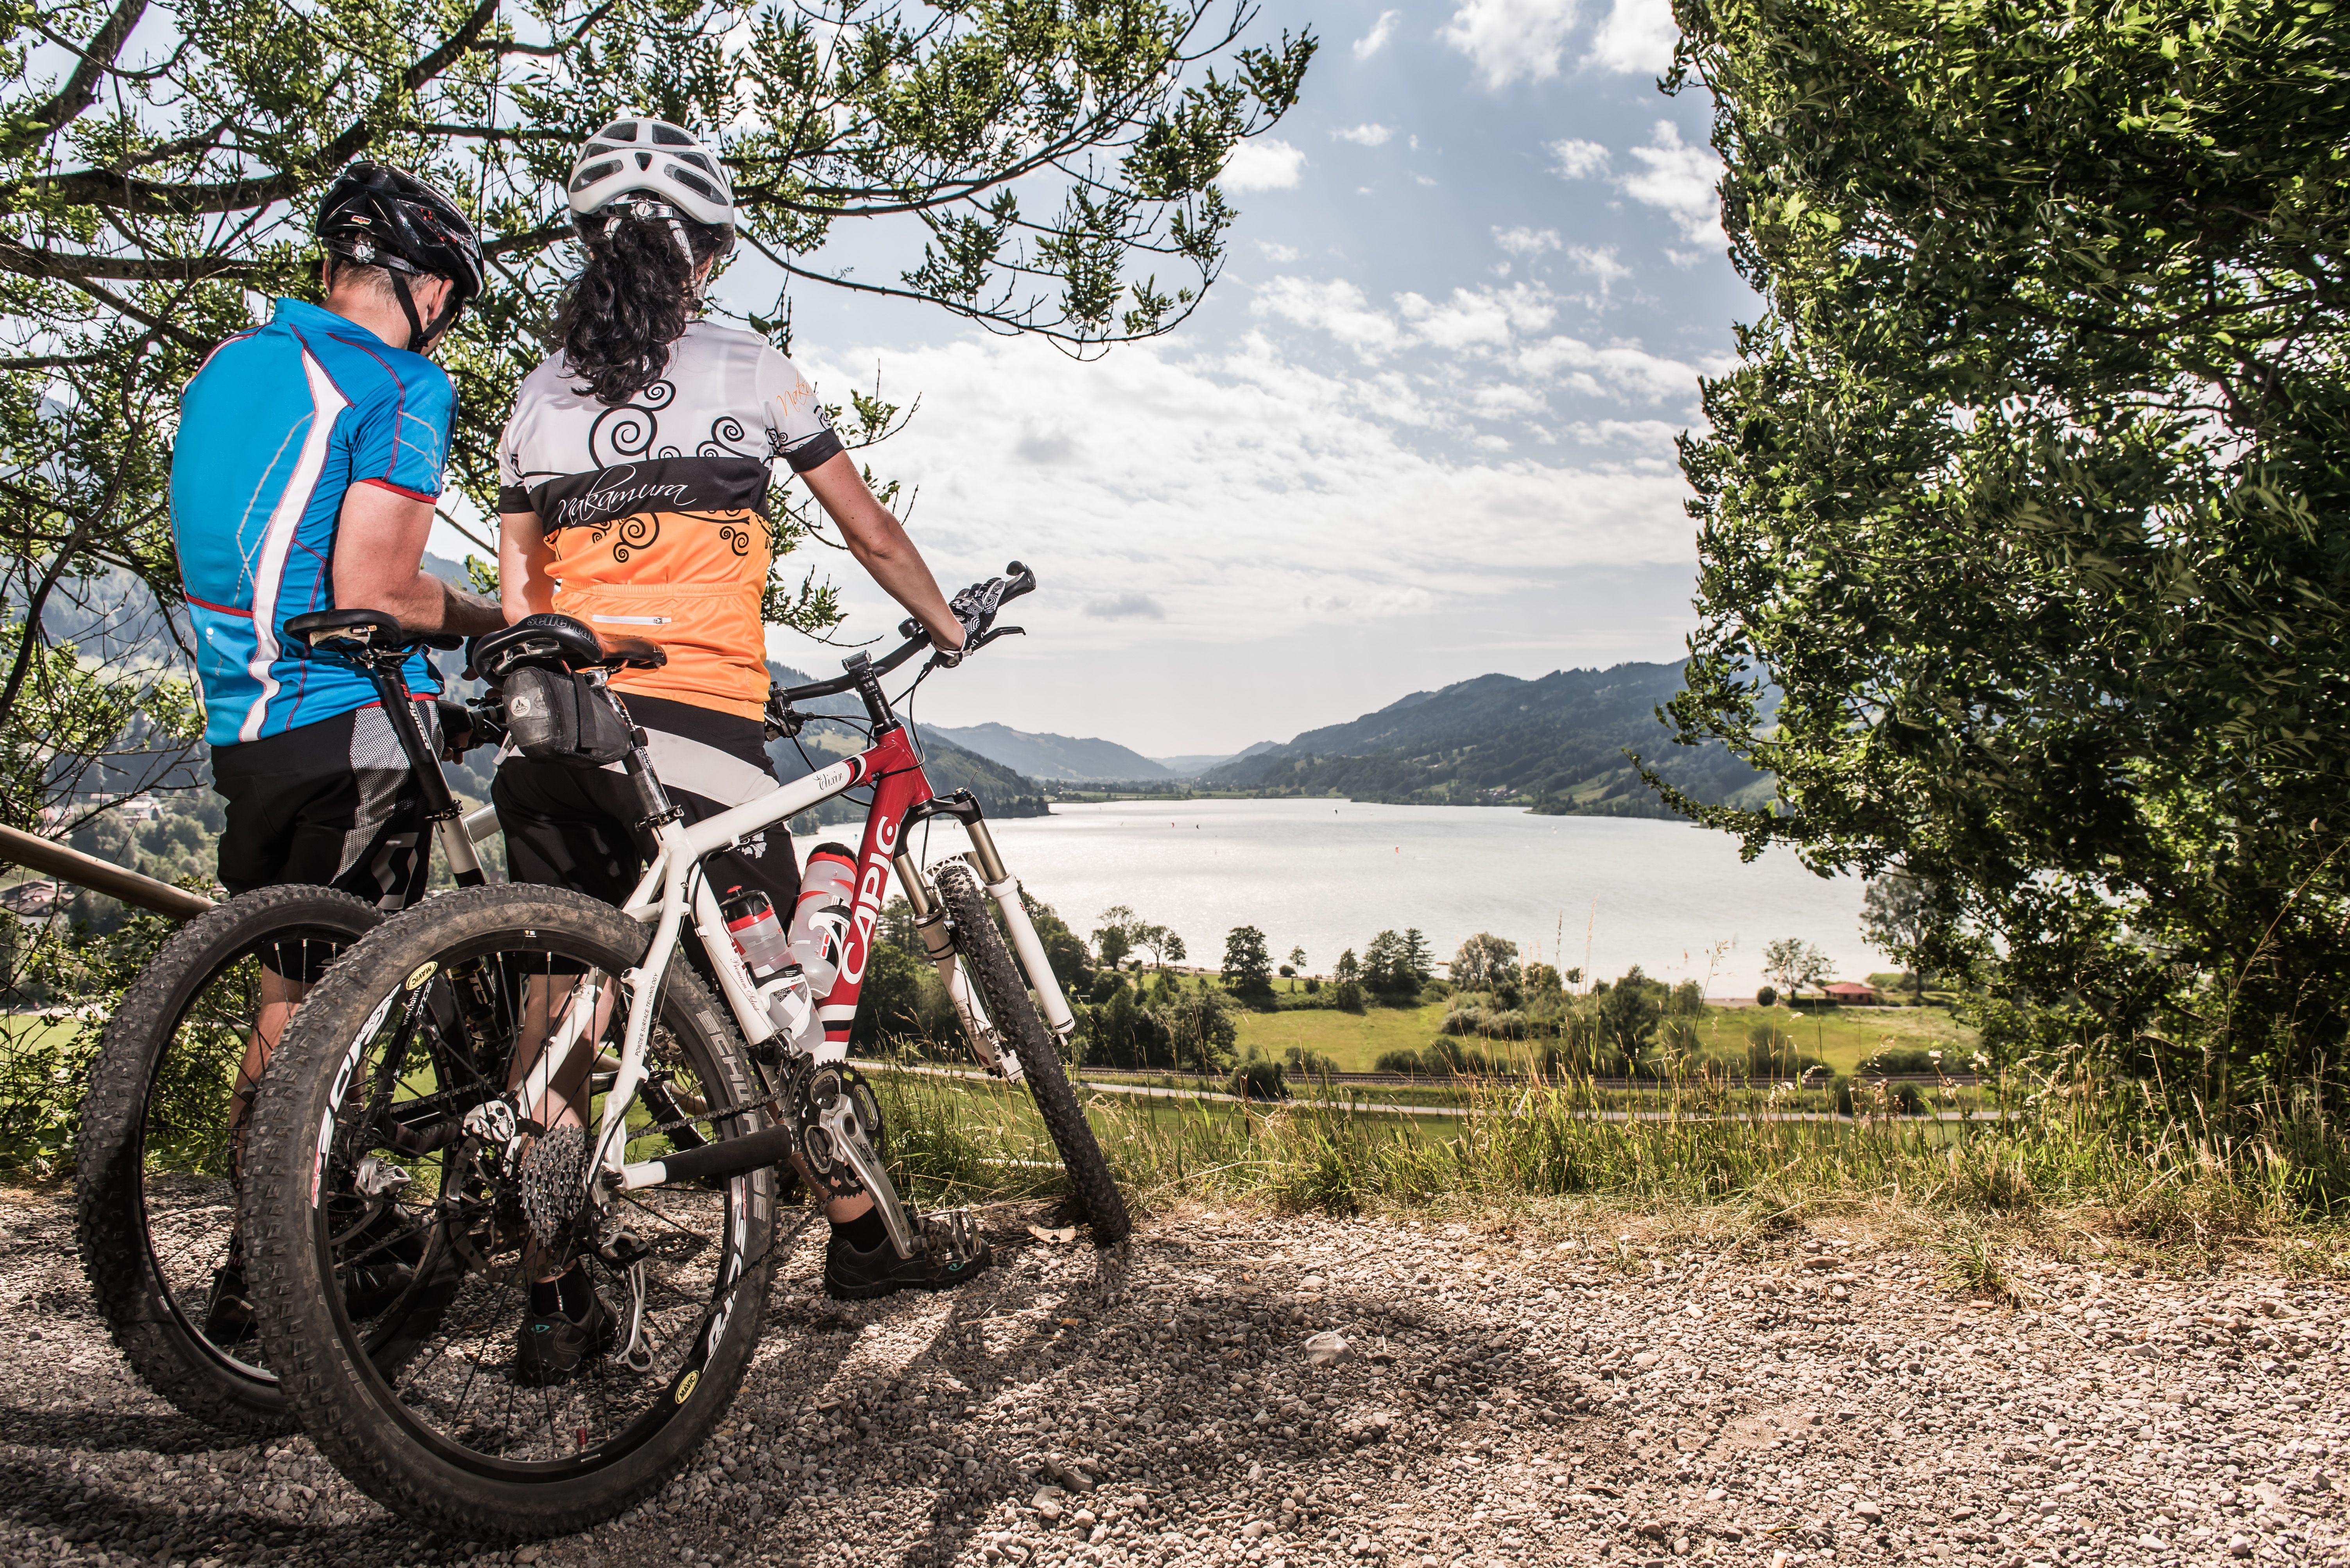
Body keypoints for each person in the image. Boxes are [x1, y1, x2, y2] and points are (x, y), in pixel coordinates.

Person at [491, 117, 989, 1382]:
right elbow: (866, 527)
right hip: (696, 726)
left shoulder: (537, 395)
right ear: (706, 255)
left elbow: (518, 594)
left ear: (588, 248)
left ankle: (552, 1306)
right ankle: (862, 1233)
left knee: (558, 1016)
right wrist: (944, 622)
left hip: (551, 726)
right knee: (775, 1000)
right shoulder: (746, 365)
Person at [171, 163, 508, 1339]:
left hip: (246, 728)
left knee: (288, 991)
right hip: (351, 721)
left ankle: (264, 1253)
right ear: (426, 290)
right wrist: (486, 620)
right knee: (336, 1013)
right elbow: (376, 588)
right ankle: (293, 1268)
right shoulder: (401, 382)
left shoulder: (229, 367)